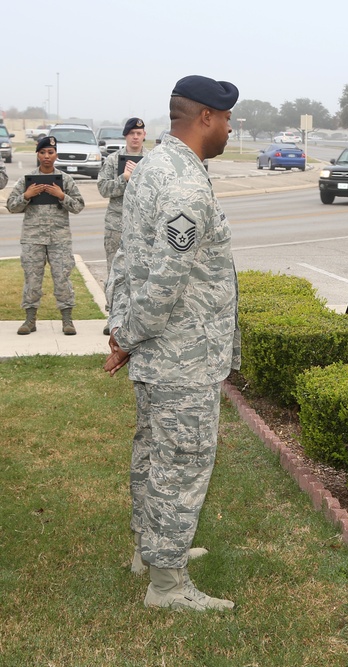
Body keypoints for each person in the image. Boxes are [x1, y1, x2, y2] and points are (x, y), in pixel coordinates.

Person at [104, 75, 241, 611]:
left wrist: (123, 334)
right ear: (205, 117)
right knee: (181, 463)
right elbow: (162, 279)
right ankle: (167, 583)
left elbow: (125, 260)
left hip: (158, 351)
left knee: (154, 453)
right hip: (181, 355)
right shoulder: (183, 184)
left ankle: (152, 548)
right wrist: (129, 337)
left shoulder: (156, 167)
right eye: (227, 118)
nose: (231, 128)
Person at [6, 136, 86, 335]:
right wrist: (27, 195)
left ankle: (67, 321)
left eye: (50, 153)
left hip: (59, 239)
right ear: (38, 155)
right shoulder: (27, 180)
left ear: (56, 155)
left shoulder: (65, 180)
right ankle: (30, 320)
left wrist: (61, 195)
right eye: (42, 153)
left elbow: (78, 206)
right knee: (32, 280)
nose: (46, 157)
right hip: (33, 238)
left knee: (62, 279)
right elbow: (10, 206)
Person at [98, 117, 148, 335]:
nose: (135, 137)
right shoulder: (112, 160)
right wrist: (124, 178)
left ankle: (138, 319)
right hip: (116, 225)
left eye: (139, 133)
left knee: (142, 273)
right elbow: (103, 188)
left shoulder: (151, 159)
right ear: (126, 136)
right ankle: (112, 318)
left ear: (144, 135)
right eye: (132, 134)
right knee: (115, 273)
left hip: (144, 226)